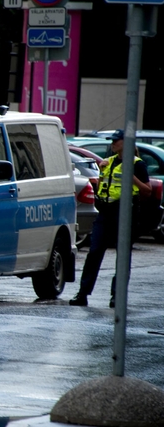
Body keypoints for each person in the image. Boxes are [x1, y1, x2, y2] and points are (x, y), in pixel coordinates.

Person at [70, 129, 151, 308]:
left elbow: (147, 191)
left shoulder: (137, 164)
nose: (113, 144)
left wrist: (132, 178)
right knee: (94, 252)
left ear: (126, 143)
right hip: (105, 213)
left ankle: (117, 295)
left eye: (116, 141)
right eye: (112, 141)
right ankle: (82, 294)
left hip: (125, 213)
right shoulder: (110, 162)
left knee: (122, 256)